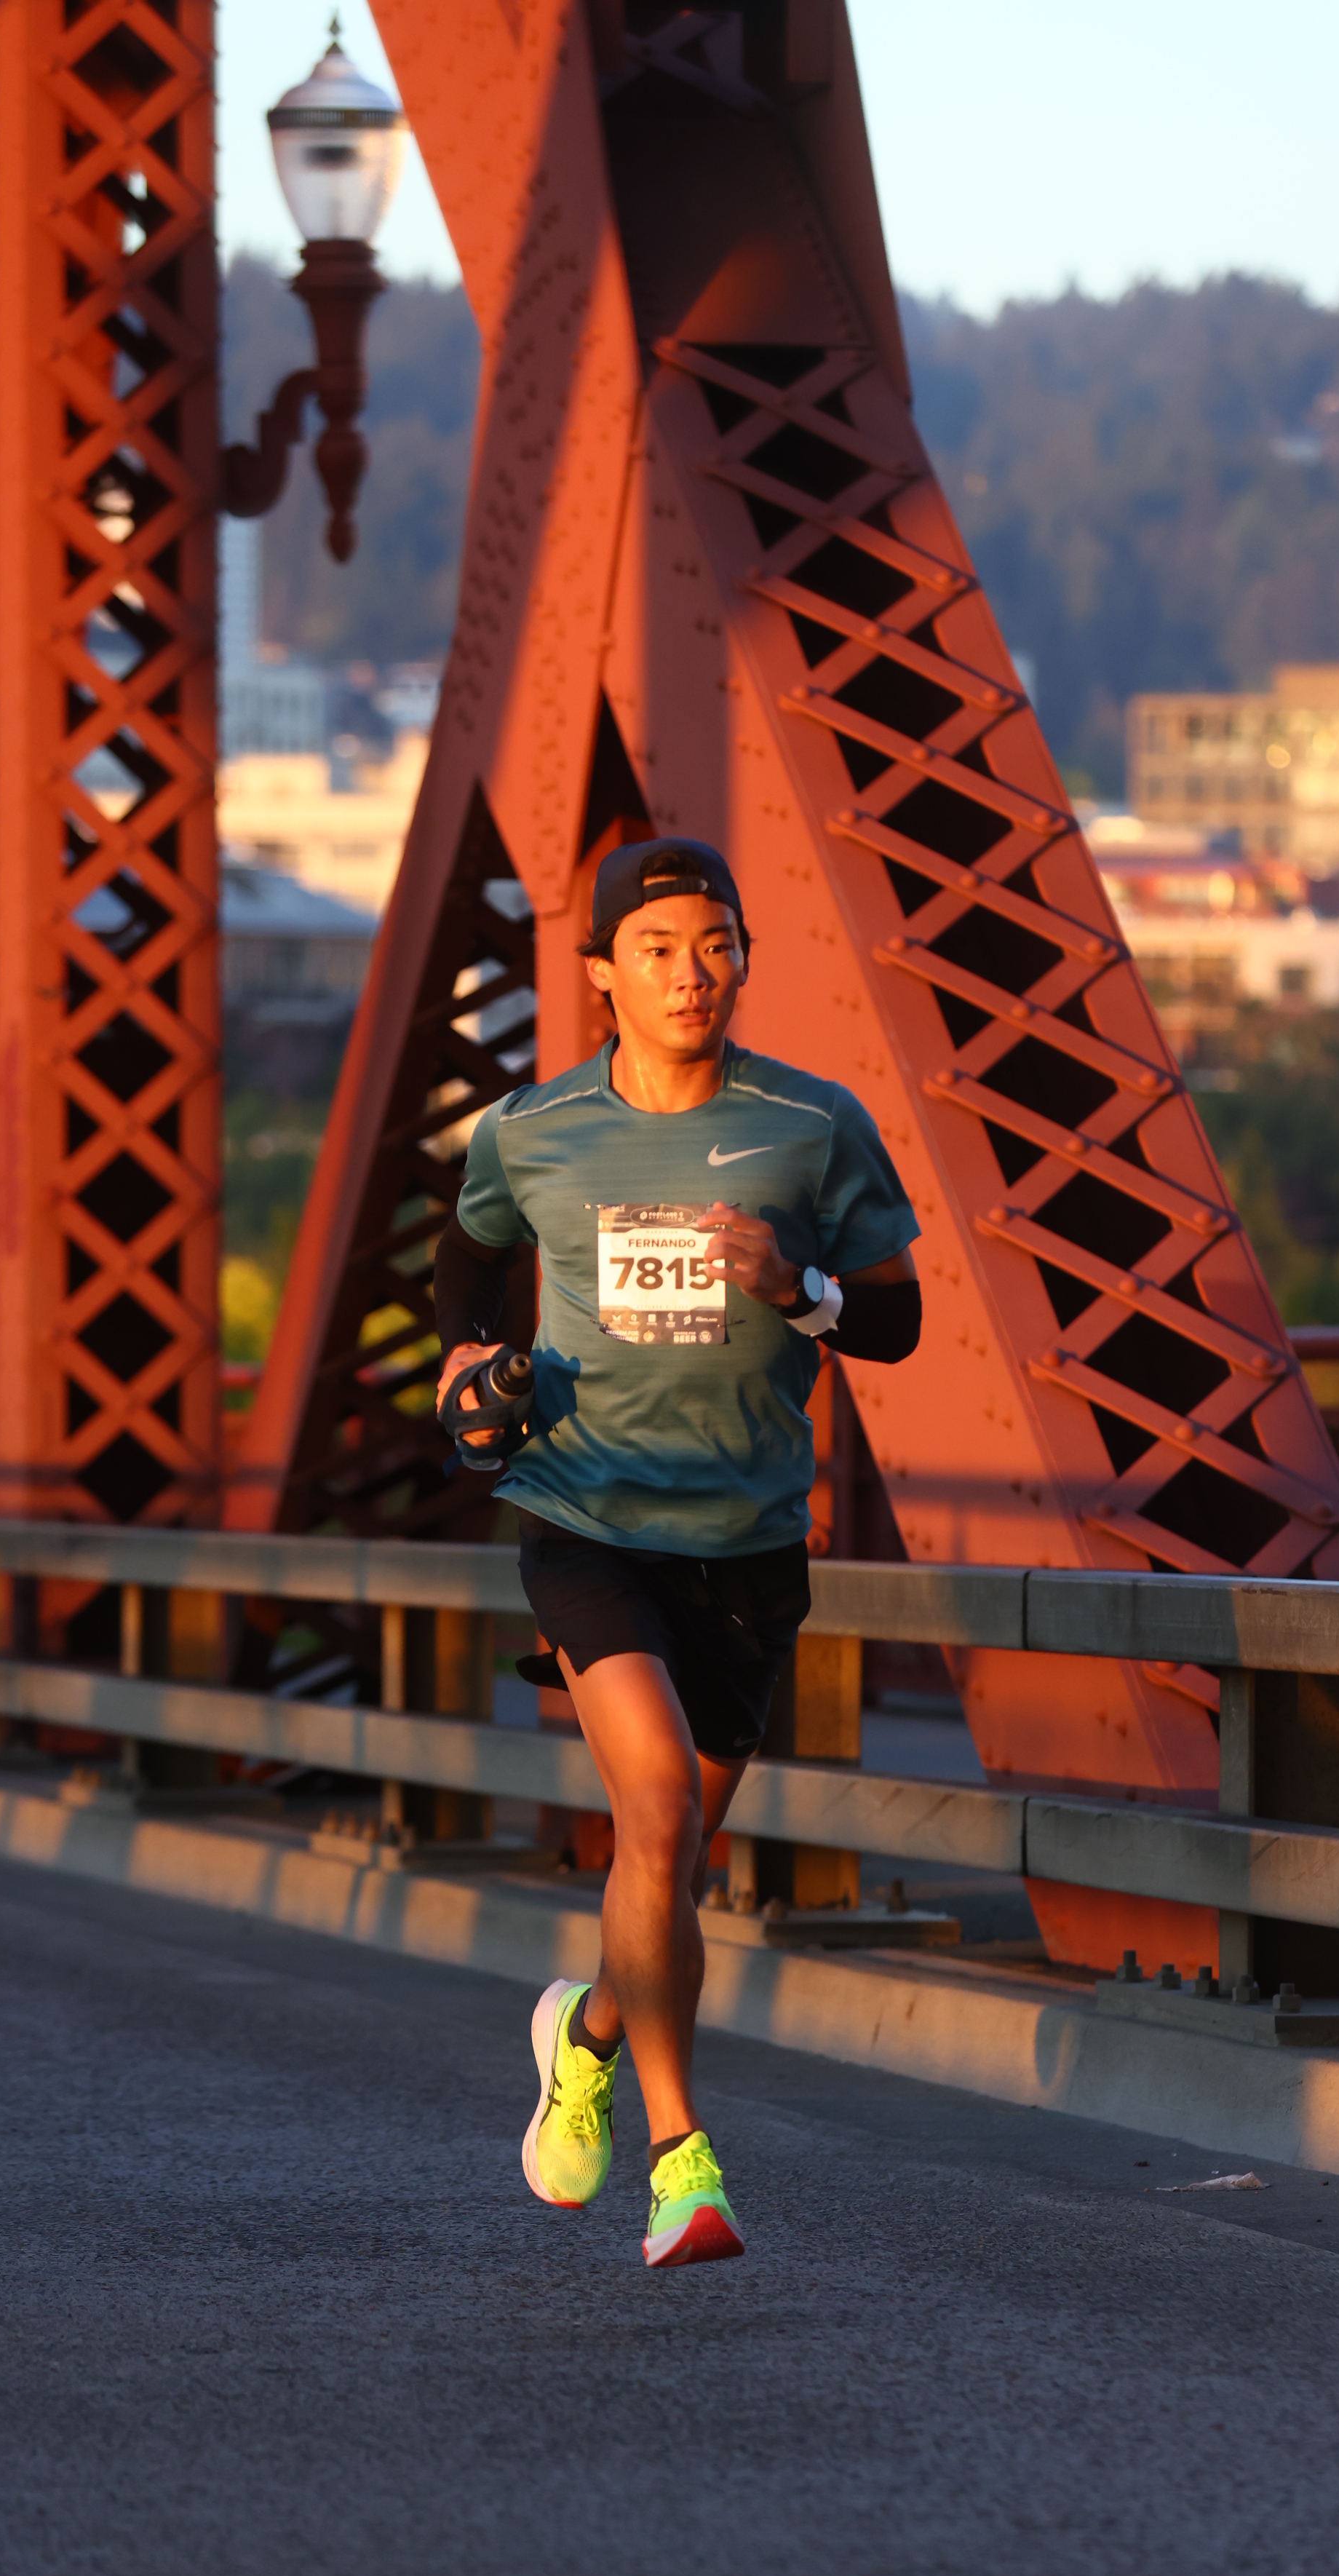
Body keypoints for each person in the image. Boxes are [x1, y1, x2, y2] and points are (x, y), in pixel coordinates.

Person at [433, 836, 923, 2268]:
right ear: (601, 972)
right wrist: (466, 1357)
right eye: (656, 949)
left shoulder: (812, 1126)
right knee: (651, 1818)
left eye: (715, 944)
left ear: (745, 957)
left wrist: (798, 1287)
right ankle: (681, 2162)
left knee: (671, 1863)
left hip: (749, 1544)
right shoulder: (531, 1130)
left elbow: (895, 1320)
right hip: (585, 1519)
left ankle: (583, 2033)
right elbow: (466, 1252)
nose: (690, 973)